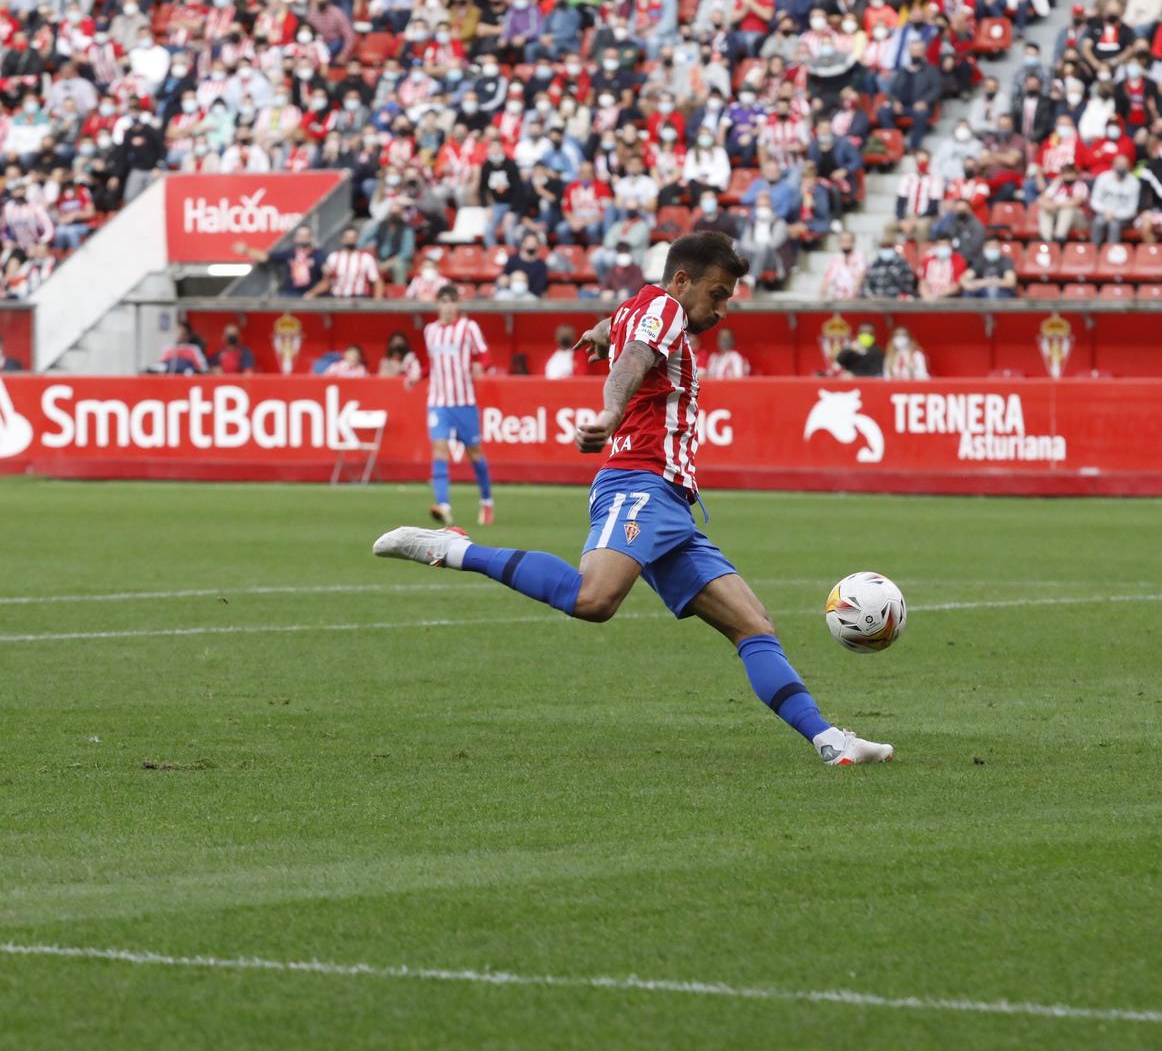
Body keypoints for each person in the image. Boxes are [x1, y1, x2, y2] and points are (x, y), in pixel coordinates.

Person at [373, 232, 892, 767]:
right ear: (682, 281)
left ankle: (831, 742)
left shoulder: (637, 309)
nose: (723, 308)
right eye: (718, 293)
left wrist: (599, 336)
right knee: (593, 600)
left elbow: (614, 331)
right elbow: (634, 360)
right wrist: (608, 415)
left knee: (754, 626)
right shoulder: (664, 311)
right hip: (636, 482)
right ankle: (451, 549)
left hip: (671, 506)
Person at [423, 285, 495, 527]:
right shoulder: (430, 331)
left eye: (451, 301)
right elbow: (431, 364)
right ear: (437, 305)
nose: (447, 306)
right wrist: (416, 375)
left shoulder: (468, 327)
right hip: (438, 402)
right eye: (443, 301)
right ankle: (443, 505)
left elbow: (485, 355)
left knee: (474, 453)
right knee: (439, 450)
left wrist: (480, 366)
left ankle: (486, 501)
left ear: (457, 304)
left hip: (463, 401)